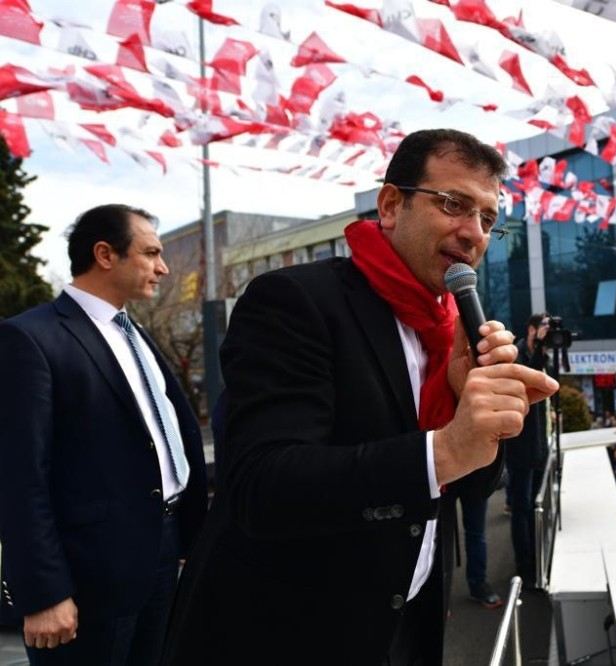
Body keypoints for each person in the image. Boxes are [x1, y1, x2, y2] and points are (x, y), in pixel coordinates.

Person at [160, 129, 558, 665]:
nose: (473, 233)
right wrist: (445, 447)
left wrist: (479, 415)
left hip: (405, 623)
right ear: (391, 204)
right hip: (288, 635)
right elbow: (262, 484)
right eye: (454, 204)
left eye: (488, 219)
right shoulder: (295, 302)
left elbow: (472, 483)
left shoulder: (450, 329)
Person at [0, 204, 208, 665]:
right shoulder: (29, 339)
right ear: (105, 254)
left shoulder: (137, 334)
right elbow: (18, 477)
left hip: (162, 557)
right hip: (86, 578)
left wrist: (189, 541)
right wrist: (43, 593)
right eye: (151, 252)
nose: (163, 267)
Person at [505, 312, 550, 586]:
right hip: (521, 447)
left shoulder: (542, 354)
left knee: (535, 506)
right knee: (520, 509)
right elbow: (528, 380)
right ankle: (524, 565)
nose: (547, 331)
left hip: (539, 446)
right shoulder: (518, 354)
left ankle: (536, 556)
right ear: (531, 329)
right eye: (543, 326)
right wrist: (541, 348)